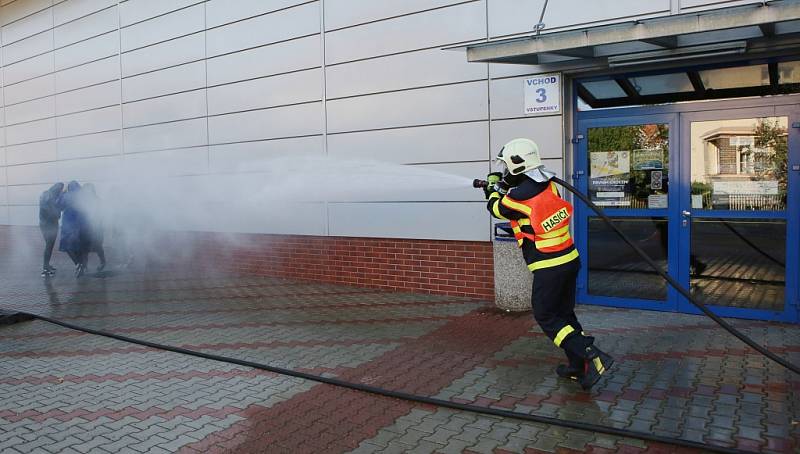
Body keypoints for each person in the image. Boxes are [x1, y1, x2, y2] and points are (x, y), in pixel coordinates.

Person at [484, 138, 614, 390]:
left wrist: (490, 186)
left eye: (505, 166)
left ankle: (591, 353)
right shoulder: (547, 185)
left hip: (548, 265)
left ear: (516, 165)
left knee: (545, 315)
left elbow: (496, 208)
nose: (503, 172)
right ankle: (578, 366)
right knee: (564, 314)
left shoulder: (518, 197)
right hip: (568, 259)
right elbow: (532, 215)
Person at [59, 181, 90, 277]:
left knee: (68, 246)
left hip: (69, 225)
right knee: (80, 247)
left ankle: (78, 264)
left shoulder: (66, 196)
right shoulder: (83, 196)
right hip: (82, 224)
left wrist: (62, 193)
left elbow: (59, 205)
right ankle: (83, 266)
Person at [38, 183, 64, 277]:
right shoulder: (52, 199)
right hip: (50, 226)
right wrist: (59, 206)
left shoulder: (45, 194)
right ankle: (45, 269)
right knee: (49, 247)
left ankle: (47, 265)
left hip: (44, 225)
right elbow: (57, 215)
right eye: (60, 190)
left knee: (49, 246)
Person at [81, 183, 107, 272]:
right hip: (86, 227)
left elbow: (102, 214)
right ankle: (84, 265)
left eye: (88, 190)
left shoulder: (97, 200)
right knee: (84, 247)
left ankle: (103, 262)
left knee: (98, 246)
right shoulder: (83, 201)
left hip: (96, 227)